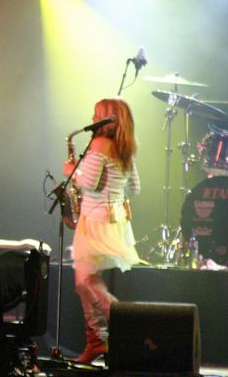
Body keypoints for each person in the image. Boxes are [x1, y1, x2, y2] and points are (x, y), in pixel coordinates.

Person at [64, 98, 140, 364]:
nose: (92, 119)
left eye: (97, 115)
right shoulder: (126, 147)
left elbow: (90, 183)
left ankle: (122, 327)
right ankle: (97, 340)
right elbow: (135, 188)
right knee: (85, 281)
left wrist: (72, 171)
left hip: (94, 222)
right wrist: (114, 191)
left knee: (85, 281)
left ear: (108, 118)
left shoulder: (99, 144)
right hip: (113, 221)